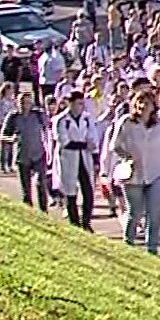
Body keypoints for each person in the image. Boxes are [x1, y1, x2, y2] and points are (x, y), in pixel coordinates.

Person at [111, 88, 160, 253]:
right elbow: (115, 145)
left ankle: (152, 248)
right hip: (133, 174)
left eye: (147, 103)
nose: (143, 106)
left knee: (154, 213)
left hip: (157, 173)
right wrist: (128, 156)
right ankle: (128, 243)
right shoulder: (126, 122)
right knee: (135, 212)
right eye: (140, 102)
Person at [53, 92, 102, 230]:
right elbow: (64, 142)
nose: (81, 107)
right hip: (69, 158)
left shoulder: (86, 118)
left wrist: (95, 158)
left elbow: (93, 138)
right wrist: (84, 145)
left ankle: (86, 222)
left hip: (84, 158)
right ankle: (74, 222)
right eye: (78, 103)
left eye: (82, 104)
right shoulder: (61, 120)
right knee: (70, 191)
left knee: (88, 191)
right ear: (70, 103)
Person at [3, 91, 52, 211]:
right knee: (26, 189)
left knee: (41, 184)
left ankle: (43, 211)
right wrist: (11, 139)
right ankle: (29, 211)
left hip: (39, 154)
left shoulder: (38, 115)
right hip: (22, 156)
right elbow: (3, 135)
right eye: (23, 103)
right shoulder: (13, 117)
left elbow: (49, 128)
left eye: (28, 102)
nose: (26, 105)